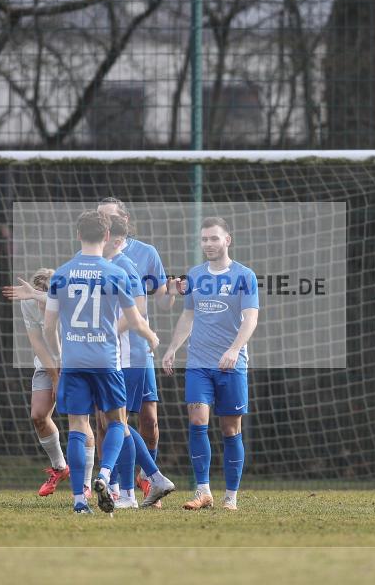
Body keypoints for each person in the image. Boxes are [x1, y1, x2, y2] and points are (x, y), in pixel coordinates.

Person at [44, 211, 173, 513]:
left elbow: (49, 327)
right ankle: (105, 475)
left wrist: (59, 354)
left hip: (74, 359)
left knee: (78, 426)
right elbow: (135, 320)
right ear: (106, 237)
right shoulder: (114, 273)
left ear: (77, 235)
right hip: (106, 359)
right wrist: (152, 337)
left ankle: (79, 501)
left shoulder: (61, 273)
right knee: (117, 421)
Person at [163, 217, 259, 511]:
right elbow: (188, 316)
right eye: (204, 239)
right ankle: (203, 490)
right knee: (196, 421)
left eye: (214, 238)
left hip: (231, 365)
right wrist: (172, 348)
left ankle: (231, 496)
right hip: (198, 364)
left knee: (230, 429)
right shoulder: (194, 275)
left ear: (227, 240)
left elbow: (251, 318)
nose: (209, 244)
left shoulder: (244, 275)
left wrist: (234, 349)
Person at [96, 197, 182, 505]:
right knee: (111, 421)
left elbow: (153, 303)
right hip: (116, 351)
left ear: (122, 223)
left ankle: (146, 484)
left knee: (142, 421)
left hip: (131, 350)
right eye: (98, 219)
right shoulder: (95, 252)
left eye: (107, 219)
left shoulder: (141, 255)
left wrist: (170, 291)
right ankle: (122, 486)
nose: (101, 225)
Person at [2, 268, 94, 499]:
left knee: (81, 420)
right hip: (48, 363)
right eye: (38, 295)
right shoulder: (29, 302)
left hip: (77, 360)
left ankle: (85, 484)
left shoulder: (68, 299)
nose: (42, 302)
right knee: (38, 415)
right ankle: (60, 468)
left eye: (45, 296)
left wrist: (65, 372)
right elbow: (37, 342)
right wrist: (55, 377)